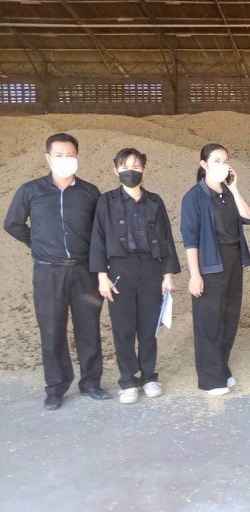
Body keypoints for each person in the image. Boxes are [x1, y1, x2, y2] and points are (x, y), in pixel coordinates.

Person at [4, 133, 108, 409]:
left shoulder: (89, 192)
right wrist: (37, 243)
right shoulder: (31, 191)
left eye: (70, 155)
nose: (65, 159)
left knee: (88, 328)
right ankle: (55, 387)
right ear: (48, 158)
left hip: (84, 271)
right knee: (52, 330)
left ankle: (91, 382)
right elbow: (13, 224)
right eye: (59, 155)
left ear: (78, 157)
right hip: (48, 273)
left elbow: (100, 232)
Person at [90, 148, 181, 404]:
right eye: (125, 167)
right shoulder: (106, 201)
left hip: (151, 270)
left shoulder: (155, 201)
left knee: (149, 328)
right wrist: (102, 276)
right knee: (123, 329)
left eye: (136, 167)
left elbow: (166, 238)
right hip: (119, 271)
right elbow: (97, 238)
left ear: (144, 170)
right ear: (115, 170)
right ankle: (128, 380)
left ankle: (149, 377)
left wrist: (168, 273)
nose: (131, 172)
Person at [180, 143, 250, 396]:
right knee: (209, 322)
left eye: (226, 161)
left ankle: (221, 367)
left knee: (228, 318)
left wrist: (234, 188)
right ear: (204, 164)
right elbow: (190, 239)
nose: (222, 165)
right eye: (216, 161)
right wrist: (195, 275)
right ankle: (210, 379)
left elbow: (248, 217)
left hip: (233, 261)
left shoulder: (227, 193)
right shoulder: (194, 197)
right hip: (209, 263)